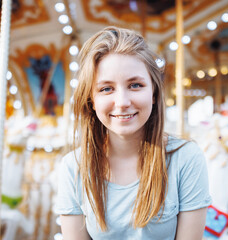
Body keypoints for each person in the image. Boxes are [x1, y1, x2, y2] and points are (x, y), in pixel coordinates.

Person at [55, 26, 211, 240]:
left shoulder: (185, 159)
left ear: (154, 93)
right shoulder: (73, 167)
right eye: (106, 89)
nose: (122, 103)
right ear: (91, 100)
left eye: (135, 85)